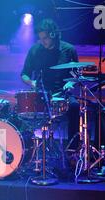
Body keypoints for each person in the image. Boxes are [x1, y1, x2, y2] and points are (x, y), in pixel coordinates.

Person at [21, 18, 80, 147]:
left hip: (63, 94)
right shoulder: (35, 50)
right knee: (22, 111)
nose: (42, 41)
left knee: (75, 107)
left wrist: (72, 83)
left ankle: (72, 149)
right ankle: (27, 149)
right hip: (41, 93)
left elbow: (77, 73)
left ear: (54, 35)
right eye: (40, 38)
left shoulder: (69, 50)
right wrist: (32, 82)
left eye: (45, 38)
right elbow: (24, 74)